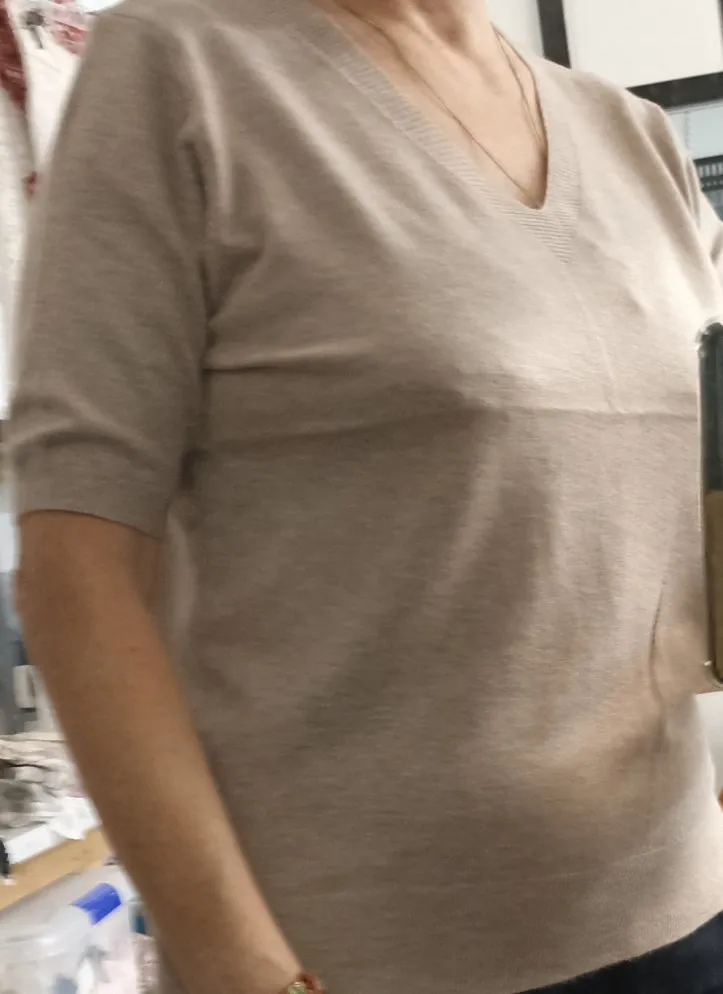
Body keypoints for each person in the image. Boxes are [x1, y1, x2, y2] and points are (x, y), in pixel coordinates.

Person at [8, 0, 723, 991]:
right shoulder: (181, 66)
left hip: (679, 907)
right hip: (360, 952)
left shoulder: (633, 136)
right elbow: (76, 566)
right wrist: (243, 970)